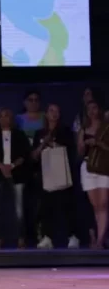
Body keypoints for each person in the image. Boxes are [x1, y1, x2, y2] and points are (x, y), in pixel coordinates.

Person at [31, 104, 78, 249]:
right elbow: (34, 156)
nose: (54, 113)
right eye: (51, 110)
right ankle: (47, 237)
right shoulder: (39, 133)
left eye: (57, 111)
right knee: (46, 207)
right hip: (46, 174)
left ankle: (72, 236)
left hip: (62, 172)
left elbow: (71, 151)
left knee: (66, 205)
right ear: (46, 114)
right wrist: (44, 143)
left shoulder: (65, 131)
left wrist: (53, 143)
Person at [0, 108, 30, 248]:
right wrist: (2, 167)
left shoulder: (19, 135)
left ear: (11, 118)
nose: (4, 119)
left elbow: (24, 154)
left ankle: (21, 238)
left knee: (19, 208)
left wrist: (12, 166)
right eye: (1, 116)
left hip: (17, 173)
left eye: (6, 116)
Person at [77, 100, 109, 249]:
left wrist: (97, 143)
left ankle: (100, 240)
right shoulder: (83, 129)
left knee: (103, 204)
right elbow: (80, 152)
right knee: (95, 205)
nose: (92, 111)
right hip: (88, 167)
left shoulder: (106, 127)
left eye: (94, 107)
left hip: (103, 166)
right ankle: (100, 235)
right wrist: (82, 144)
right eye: (89, 108)